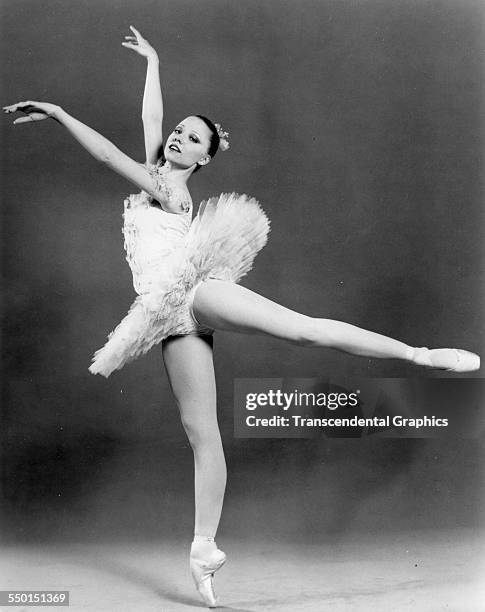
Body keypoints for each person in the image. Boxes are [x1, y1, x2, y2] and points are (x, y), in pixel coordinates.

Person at [4, 26, 480, 608]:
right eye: (178, 133)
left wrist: (57, 112)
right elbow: (151, 121)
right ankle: (204, 548)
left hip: (193, 291)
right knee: (203, 435)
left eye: (190, 139)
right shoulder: (159, 168)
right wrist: (153, 64)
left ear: (205, 157)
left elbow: (107, 153)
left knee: (302, 329)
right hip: (166, 317)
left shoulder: (166, 189)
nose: (177, 140)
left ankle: (416, 355)